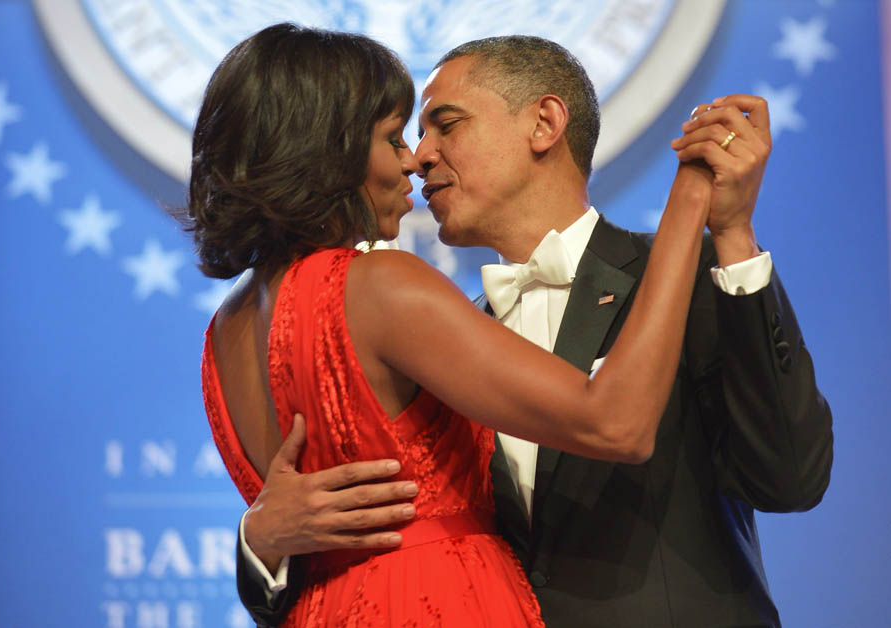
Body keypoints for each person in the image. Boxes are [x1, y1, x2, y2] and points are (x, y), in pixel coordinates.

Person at [236, 36, 833, 628]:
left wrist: (732, 241)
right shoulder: (436, 335)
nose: (420, 156)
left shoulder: (683, 277)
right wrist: (259, 544)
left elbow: (790, 480)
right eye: (411, 135)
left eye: (445, 125)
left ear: (544, 123)